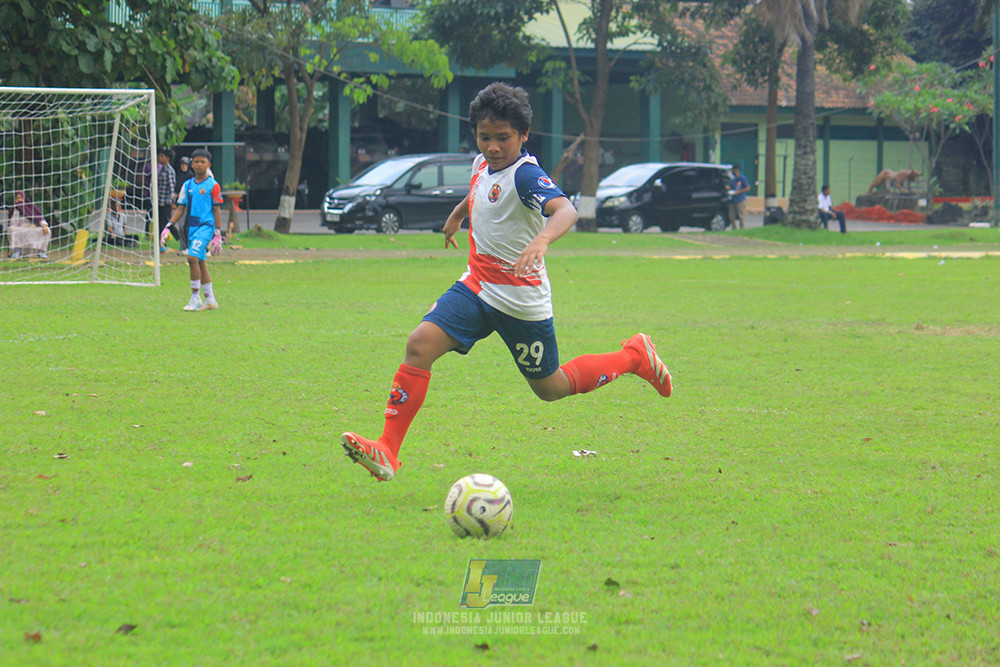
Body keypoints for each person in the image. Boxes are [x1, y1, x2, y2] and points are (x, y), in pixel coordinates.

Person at [341, 82, 673, 483]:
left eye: (503, 138)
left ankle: (635, 357)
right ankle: (387, 450)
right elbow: (480, 190)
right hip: (476, 286)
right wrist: (457, 215)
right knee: (419, 344)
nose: (493, 147)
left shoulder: (526, 175)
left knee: (550, 387)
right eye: (485, 137)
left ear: (524, 135)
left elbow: (566, 210)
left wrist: (542, 239)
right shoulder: (482, 163)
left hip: (520, 300)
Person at [166, 148, 223, 311]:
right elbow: (180, 209)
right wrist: (168, 226)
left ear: (209, 164)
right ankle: (210, 300)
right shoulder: (187, 185)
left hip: (206, 227)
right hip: (192, 228)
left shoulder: (213, 185)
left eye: (202, 162)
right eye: (196, 162)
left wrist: (218, 233)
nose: (199, 164)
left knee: (192, 258)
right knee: (200, 262)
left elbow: (217, 210)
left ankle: (195, 298)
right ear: (191, 164)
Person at [7, 191, 50, 259]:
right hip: (20, 227)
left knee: (47, 230)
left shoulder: (32, 206)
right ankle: (17, 251)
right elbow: (13, 223)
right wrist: (17, 210)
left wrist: (44, 225)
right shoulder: (13, 209)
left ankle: (41, 251)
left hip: (33, 226)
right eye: (17, 198)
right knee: (12, 229)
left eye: (21, 198)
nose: (19, 200)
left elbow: (39, 217)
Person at [151, 148, 177, 253]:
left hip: (165, 202)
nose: (159, 158)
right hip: (159, 201)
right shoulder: (161, 169)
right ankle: (160, 244)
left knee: (166, 223)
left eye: (162, 156)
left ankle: (178, 237)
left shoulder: (169, 171)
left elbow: (171, 187)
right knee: (159, 224)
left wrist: (171, 201)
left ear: (167, 158)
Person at [173, 156, 194, 252]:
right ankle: (183, 245)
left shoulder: (190, 176)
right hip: (180, 204)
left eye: (185, 164)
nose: (183, 166)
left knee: (187, 227)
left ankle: (189, 245)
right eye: (182, 164)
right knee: (181, 226)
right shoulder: (178, 175)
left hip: (188, 205)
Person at [727, 164, 750, 230]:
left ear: (736, 171)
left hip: (740, 199)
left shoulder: (742, 178)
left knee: (740, 215)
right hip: (733, 199)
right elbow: (732, 187)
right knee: (731, 215)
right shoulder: (733, 179)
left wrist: (739, 192)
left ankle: (742, 228)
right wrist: (728, 188)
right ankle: (734, 228)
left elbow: (748, 188)